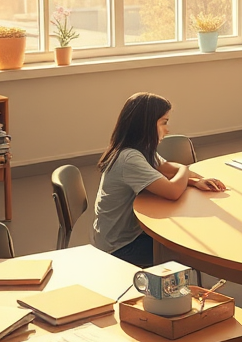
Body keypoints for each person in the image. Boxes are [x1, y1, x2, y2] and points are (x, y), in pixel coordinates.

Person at [91, 92, 226, 266]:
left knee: (182, 235)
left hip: (128, 236)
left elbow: (166, 169)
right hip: (120, 248)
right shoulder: (129, 158)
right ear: (145, 125)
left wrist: (194, 181)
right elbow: (173, 191)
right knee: (189, 247)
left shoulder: (140, 150)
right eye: (164, 122)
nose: (167, 129)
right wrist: (185, 168)